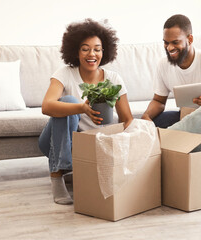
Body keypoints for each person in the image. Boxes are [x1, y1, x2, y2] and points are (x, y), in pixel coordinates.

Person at [38, 19, 133, 205]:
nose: (92, 54)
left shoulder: (113, 79)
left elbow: (127, 119)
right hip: (54, 141)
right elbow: (46, 106)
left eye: (97, 49)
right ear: (76, 51)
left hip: (90, 144)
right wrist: (81, 108)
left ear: (104, 52)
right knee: (68, 101)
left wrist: (125, 148)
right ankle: (57, 174)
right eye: (85, 48)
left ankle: (72, 166)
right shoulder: (65, 73)